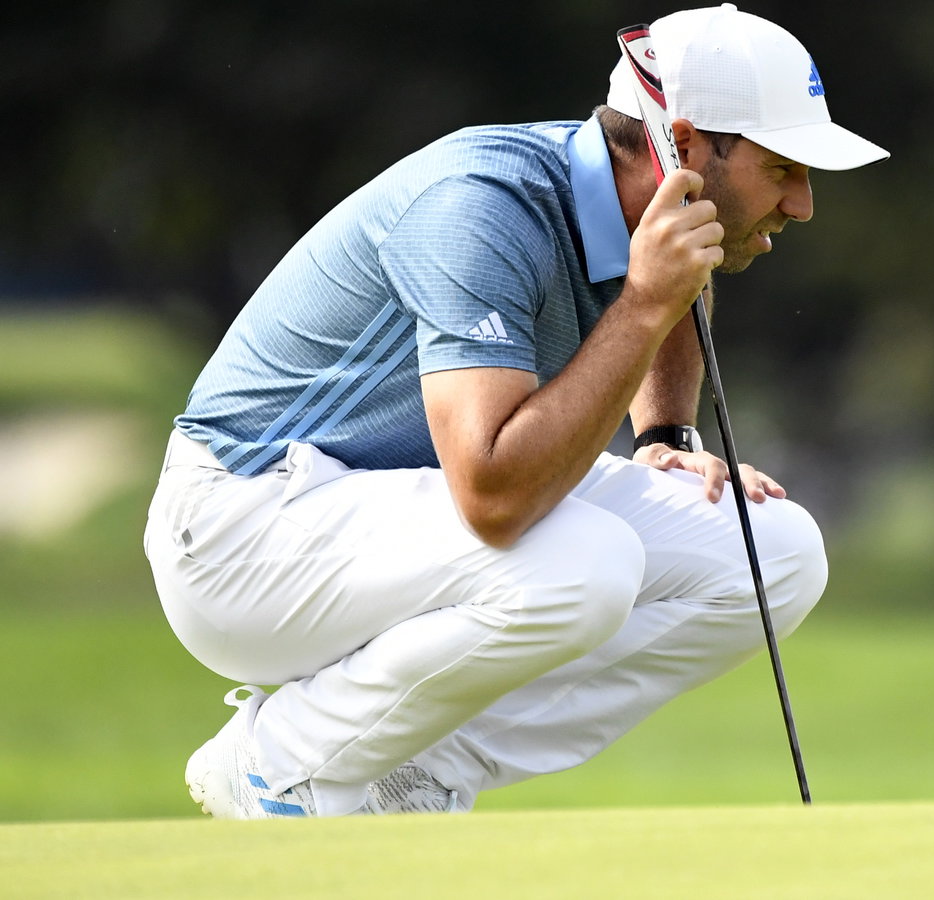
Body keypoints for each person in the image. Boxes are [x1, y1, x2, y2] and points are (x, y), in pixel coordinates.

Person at [143, 3, 887, 818]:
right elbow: (495, 498)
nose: (803, 204)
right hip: (239, 532)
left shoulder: (644, 205)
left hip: (389, 515)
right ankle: (277, 762)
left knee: (771, 552)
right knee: (584, 563)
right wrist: (642, 304)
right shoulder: (482, 208)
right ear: (682, 144)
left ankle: (411, 771)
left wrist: (666, 433)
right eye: (782, 169)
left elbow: (681, 282)